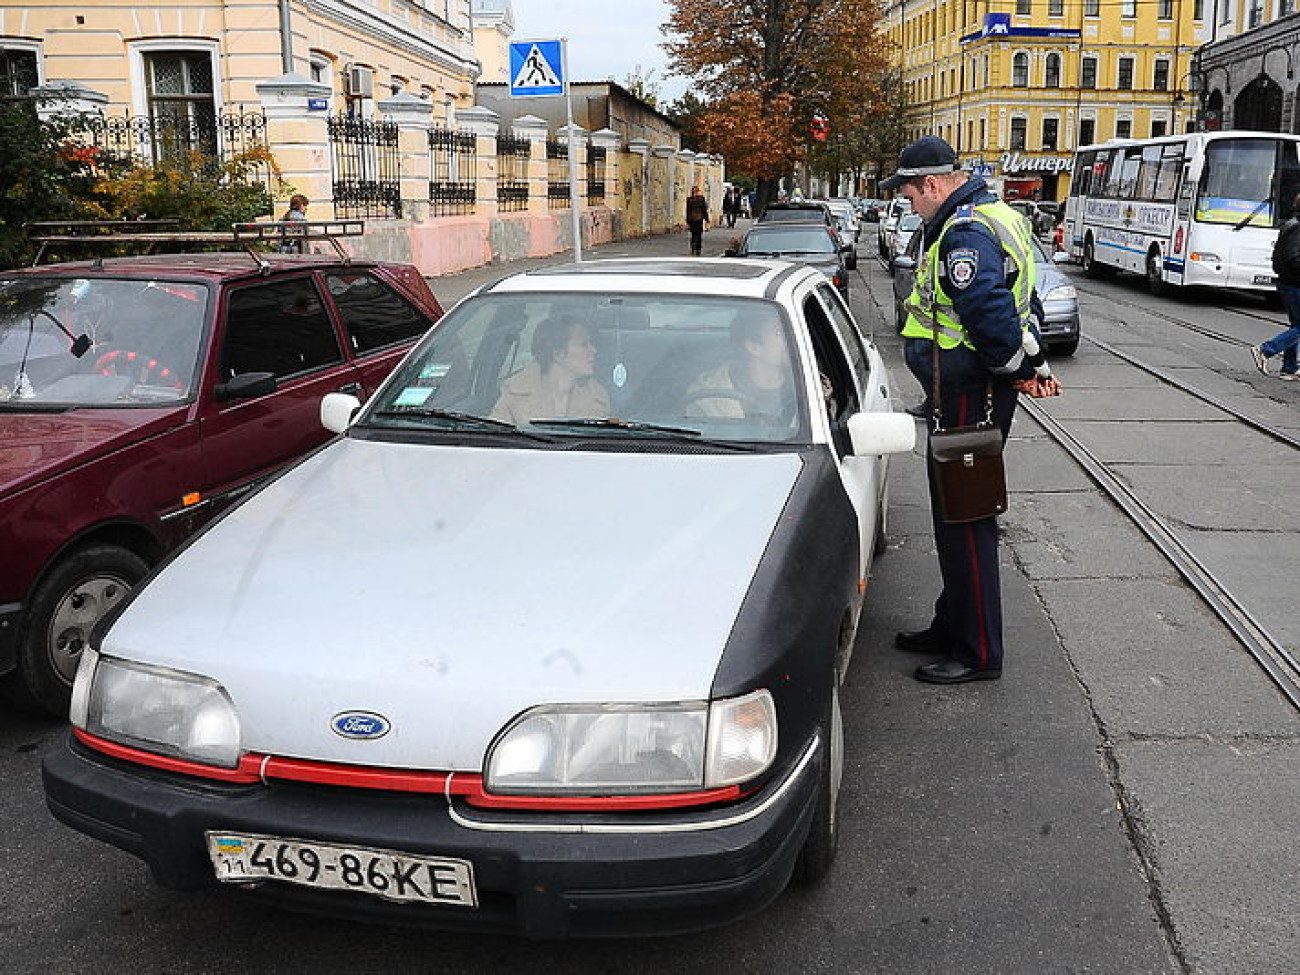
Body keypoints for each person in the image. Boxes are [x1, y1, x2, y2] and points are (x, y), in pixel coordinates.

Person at [884, 135, 1062, 686]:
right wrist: (1027, 363)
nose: (910, 205)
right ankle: (952, 621)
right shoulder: (994, 216)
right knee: (952, 513)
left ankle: (979, 647)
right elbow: (1024, 296)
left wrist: (1015, 370)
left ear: (933, 184)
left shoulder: (965, 232)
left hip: (970, 392)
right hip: (963, 389)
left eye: (911, 194)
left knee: (966, 519)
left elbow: (988, 310)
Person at [490, 314, 610, 424]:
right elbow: (492, 437)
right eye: (584, 344)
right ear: (558, 354)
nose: (593, 350)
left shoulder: (597, 396)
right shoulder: (515, 392)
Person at [1253, 192, 1300, 380]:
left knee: (1296, 325)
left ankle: (1289, 368)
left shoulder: (1290, 224)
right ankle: (1265, 350)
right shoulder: (1298, 229)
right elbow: (1293, 257)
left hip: (1288, 282)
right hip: (1295, 283)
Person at [685, 187, 710, 256]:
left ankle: (697, 249)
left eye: (695, 191)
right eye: (694, 192)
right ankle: (694, 248)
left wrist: (707, 219)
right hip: (693, 220)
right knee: (694, 235)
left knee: (697, 235)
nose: (694, 193)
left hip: (698, 220)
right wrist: (687, 221)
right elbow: (688, 210)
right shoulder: (690, 199)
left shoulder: (700, 199)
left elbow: (704, 210)